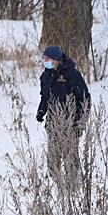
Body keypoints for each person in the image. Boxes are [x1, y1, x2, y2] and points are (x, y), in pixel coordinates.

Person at [36, 45, 91, 174]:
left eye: (47, 58)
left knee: (70, 160)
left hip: (70, 124)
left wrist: (79, 122)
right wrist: (41, 111)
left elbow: (85, 99)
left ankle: (72, 188)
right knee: (53, 160)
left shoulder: (72, 74)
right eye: (44, 58)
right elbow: (45, 96)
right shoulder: (45, 76)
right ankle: (54, 186)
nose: (45, 61)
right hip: (53, 123)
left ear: (56, 60)